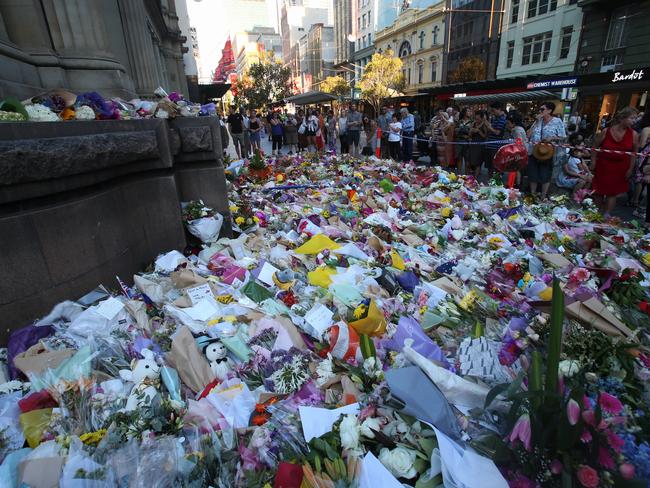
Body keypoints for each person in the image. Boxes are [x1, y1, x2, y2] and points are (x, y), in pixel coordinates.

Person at [592, 107, 639, 217]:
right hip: (603, 166)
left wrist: (630, 169)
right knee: (598, 191)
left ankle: (607, 215)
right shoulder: (606, 131)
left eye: (635, 118)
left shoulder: (634, 134)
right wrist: (593, 161)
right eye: (632, 118)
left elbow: (634, 154)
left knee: (612, 193)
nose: (634, 121)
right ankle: (595, 213)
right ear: (623, 118)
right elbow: (594, 146)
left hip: (621, 167)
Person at [527, 101, 567, 199]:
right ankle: (533, 194)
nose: (540, 111)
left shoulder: (557, 121)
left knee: (545, 174)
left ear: (549, 110)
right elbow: (528, 135)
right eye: (539, 109)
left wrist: (552, 138)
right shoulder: (538, 121)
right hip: (534, 151)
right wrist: (536, 121)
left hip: (547, 152)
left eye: (542, 109)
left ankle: (543, 196)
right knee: (533, 173)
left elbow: (563, 136)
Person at [631, 111, 650, 217]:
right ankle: (638, 202)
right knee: (643, 179)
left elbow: (641, 144)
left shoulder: (647, 129)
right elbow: (642, 144)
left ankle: (636, 201)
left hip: (645, 155)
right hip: (647, 156)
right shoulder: (647, 129)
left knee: (640, 179)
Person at [505, 110, 528, 186]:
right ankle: (516, 185)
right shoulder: (520, 128)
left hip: (518, 153)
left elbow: (519, 142)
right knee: (517, 170)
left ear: (514, 123)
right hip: (522, 152)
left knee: (515, 170)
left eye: (508, 123)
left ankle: (514, 185)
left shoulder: (516, 130)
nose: (507, 125)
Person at [485, 101, 507, 177]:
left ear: (499, 109)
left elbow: (497, 132)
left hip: (496, 147)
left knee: (496, 166)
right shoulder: (495, 118)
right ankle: (490, 182)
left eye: (494, 111)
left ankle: (496, 184)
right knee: (490, 167)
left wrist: (489, 127)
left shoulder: (502, 119)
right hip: (490, 146)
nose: (493, 113)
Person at [468, 110, 489, 178]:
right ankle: (471, 175)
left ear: (482, 118)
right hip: (473, 145)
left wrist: (479, 131)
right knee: (471, 161)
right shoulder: (473, 123)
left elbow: (485, 136)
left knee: (478, 163)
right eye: (475, 118)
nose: (476, 120)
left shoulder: (484, 124)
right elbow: (469, 135)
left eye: (478, 119)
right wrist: (471, 131)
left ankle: (475, 178)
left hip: (480, 146)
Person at [455, 108, 473, 173]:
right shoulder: (459, 121)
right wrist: (459, 131)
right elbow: (456, 131)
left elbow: (472, 133)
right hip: (459, 142)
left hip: (468, 143)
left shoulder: (472, 122)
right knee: (459, 159)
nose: (470, 112)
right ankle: (459, 175)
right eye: (468, 111)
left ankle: (466, 177)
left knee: (467, 161)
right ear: (464, 113)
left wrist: (468, 135)